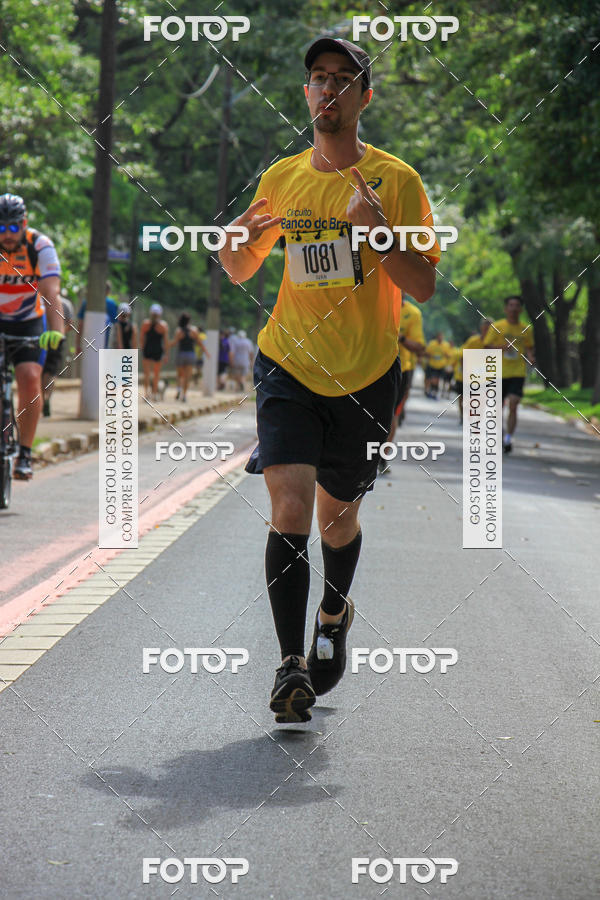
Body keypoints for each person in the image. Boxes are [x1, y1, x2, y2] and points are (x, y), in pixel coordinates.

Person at [219, 36, 440, 723]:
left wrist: (377, 232)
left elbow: (424, 285)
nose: (329, 89)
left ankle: (334, 613)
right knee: (289, 504)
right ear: (307, 92)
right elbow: (242, 267)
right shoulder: (283, 178)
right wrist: (231, 243)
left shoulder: (397, 181)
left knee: (337, 518)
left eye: (344, 79)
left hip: (367, 377)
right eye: (319, 77)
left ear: (363, 97)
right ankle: (291, 665)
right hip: (287, 364)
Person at [0, 193, 63, 479]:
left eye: (13, 227)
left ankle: (25, 453)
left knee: (28, 376)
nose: (7, 234)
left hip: (28, 321)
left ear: (24, 224)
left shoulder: (40, 246)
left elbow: (50, 293)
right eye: (1, 228)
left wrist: (56, 331)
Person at [379, 297, 425, 474]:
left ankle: (382, 458)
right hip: (370, 366)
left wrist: (401, 337)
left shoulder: (413, 313)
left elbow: (419, 346)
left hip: (401, 370)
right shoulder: (376, 302)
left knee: (392, 415)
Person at [483, 296, 535, 453]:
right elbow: (486, 347)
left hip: (517, 372)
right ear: (506, 309)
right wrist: (502, 348)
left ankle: (508, 438)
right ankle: (500, 432)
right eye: (511, 305)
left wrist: (531, 357)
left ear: (521, 309)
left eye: (517, 305)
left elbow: (529, 347)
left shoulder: (526, 329)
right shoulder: (497, 326)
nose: (514, 308)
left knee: (514, 403)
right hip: (498, 372)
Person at [42, 288, 76, 417]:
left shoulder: (41, 301)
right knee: (52, 371)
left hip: (41, 338)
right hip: (57, 339)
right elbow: (70, 324)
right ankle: (47, 398)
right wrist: (60, 332)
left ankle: (42, 398)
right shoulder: (66, 303)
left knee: (41, 370)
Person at [453, 319, 492, 424]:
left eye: (489, 329)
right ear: (481, 328)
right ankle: (462, 416)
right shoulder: (473, 341)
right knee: (463, 398)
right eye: (485, 329)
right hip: (467, 375)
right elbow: (463, 356)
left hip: (484, 377)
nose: (487, 331)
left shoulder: (495, 343)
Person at [170, 312, 209, 401]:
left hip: (181, 353)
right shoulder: (194, 330)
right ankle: (184, 395)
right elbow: (199, 343)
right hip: (190, 354)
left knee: (180, 375)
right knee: (187, 376)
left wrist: (168, 345)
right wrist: (206, 352)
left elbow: (175, 342)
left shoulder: (179, 331)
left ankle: (179, 389)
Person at [75, 282, 118, 352]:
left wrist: (77, 344)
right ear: (108, 291)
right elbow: (116, 326)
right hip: (104, 344)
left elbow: (80, 324)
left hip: (88, 343)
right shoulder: (111, 304)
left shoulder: (86, 302)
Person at [140, 303, 168, 400]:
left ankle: (147, 394)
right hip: (157, 350)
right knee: (156, 374)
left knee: (147, 374)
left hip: (148, 350)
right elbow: (165, 342)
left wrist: (142, 349)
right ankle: (154, 394)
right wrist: (166, 354)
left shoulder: (145, 324)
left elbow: (142, 339)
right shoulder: (163, 325)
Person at [424, 331, 449, 399]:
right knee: (431, 379)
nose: (440, 338)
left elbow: (448, 355)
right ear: (437, 337)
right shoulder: (432, 343)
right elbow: (427, 353)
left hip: (441, 365)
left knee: (438, 380)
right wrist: (431, 356)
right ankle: (430, 390)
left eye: (441, 337)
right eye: (439, 336)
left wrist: (445, 356)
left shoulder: (446, 345)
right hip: (432, 364)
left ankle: (435, 391)